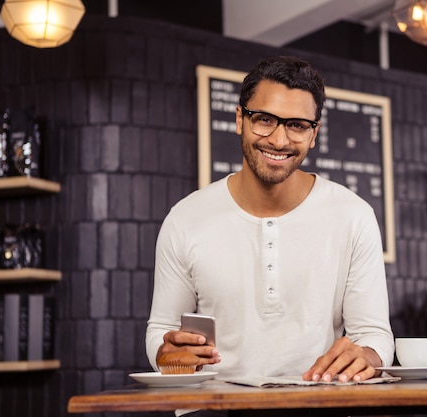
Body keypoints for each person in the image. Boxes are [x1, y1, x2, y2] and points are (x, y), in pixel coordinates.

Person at [146, 55, 394, 416]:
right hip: (215, 410)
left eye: (296, 125)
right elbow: (162, 330)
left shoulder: (354, 216)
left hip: (318, 406)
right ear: (239, 119)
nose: (279, 139)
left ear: (314, 133)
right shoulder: (185, 218)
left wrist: (366, 355)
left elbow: (374, 335)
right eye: (264, 120)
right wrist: (164, 353)